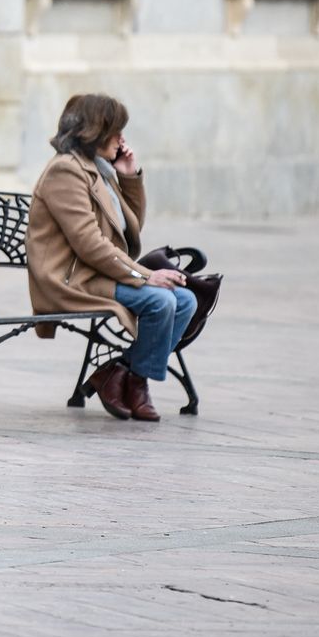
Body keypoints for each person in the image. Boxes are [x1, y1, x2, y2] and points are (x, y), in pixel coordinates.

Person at [25, 93, 197, 422]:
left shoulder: (97, 170)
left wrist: (129, 177)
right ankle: (133, 381)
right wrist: (146, 277)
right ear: (95, 131)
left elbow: (129, 231)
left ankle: (121, 374)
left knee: (185, 300)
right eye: (116, 130)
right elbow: (89, 243)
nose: (122, 138)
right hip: (71, 280)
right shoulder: (66, 172)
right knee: (161, 302)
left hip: (97, 273)